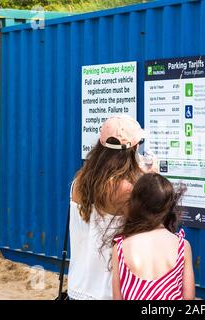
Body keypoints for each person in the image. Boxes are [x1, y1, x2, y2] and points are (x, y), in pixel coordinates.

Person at [68, 115, 151, 300]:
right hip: (108, 293)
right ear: (133, 149)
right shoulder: (127, 189)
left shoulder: (80, 181)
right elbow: (147, 229)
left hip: (77, 288)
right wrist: (151, 180)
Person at [111, 173, 195, 300]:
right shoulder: (182, 246)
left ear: (136, 204)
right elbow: (189, 298)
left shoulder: (120, 248)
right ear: (169, 206)